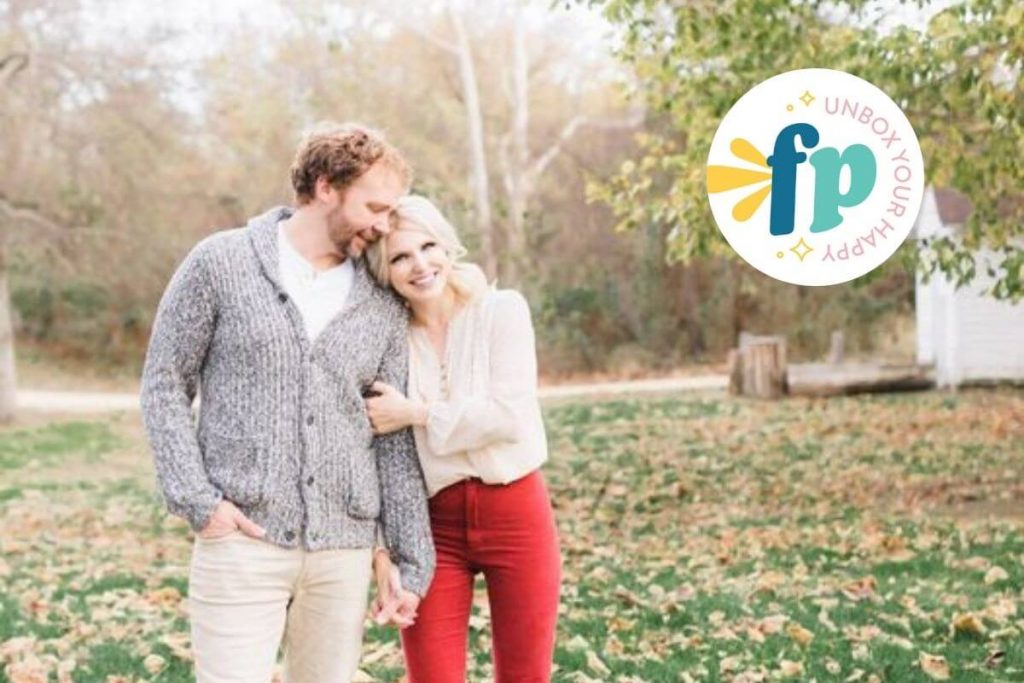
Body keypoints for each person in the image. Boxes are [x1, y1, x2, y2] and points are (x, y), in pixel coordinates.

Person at [139, 123, 434, 683]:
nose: (384, 224)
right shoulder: (220, 263)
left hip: (342, 555)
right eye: (374, 206)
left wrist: (408, 559)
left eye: (390, 211)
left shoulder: (381, 303)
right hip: (241, 543)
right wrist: (199, 502)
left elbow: (391, 438)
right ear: (326, 187)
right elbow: (163, 384)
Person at [364, 195, 561, 682]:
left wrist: (415, 414)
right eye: (400, 257)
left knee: (525, 675)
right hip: (433, 529)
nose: (420, 264)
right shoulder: (389, 341)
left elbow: (508, 416)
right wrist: (381, 550)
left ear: (448, 246)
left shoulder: (501, 311)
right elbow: (371, 447)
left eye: (428, 246)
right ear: (384, 271)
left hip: (517, 513)